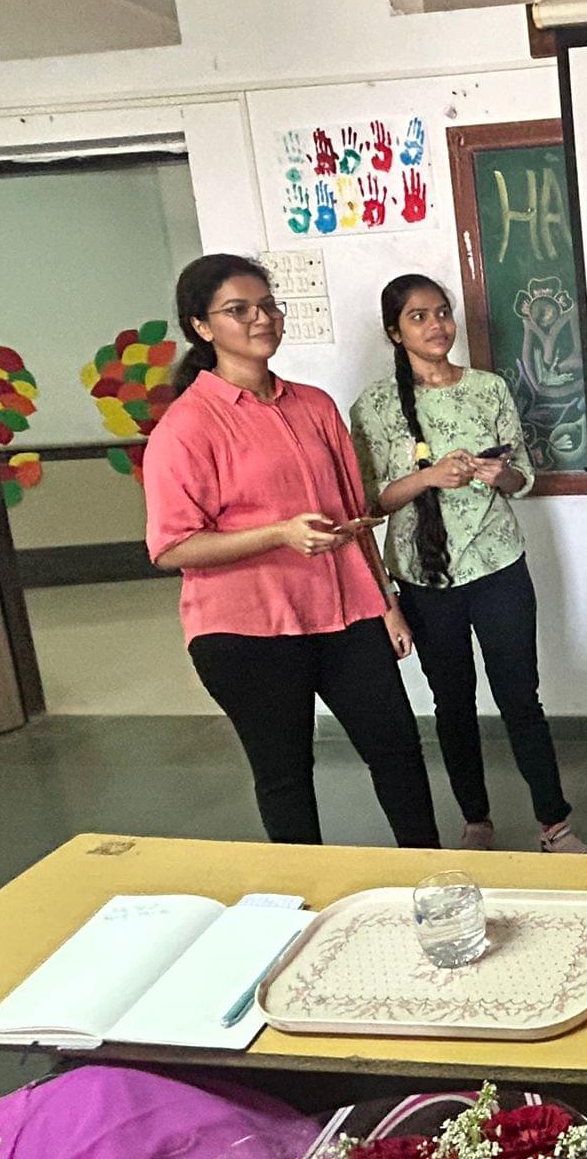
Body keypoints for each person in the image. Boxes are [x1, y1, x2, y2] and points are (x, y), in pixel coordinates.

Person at [144, 254, 440, 848]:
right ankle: (302, 897)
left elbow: (355, 516)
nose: (261, 319)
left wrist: (386, 603)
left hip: (346, 614)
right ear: (201, 326)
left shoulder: (314, 405)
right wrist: (279, 534)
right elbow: (171, 547)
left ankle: (430, 875)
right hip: (246, 631)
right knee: (285, 777)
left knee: (398, 751)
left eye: (268, 306)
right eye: (239, 310)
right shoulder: (187, 426)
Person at [350, 274, 587, 854]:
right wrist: (429, 477)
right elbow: (368, 503)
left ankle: (555, 824)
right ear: (394, 332)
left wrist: (500, 474)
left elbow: (522, 477)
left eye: (442, 312)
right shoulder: (374, 407)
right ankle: (476, 820)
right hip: (424, 575)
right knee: (452, 703)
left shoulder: (489, 388)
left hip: (497, 564)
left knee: (520, 698)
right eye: (418, 317)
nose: (437, 325)